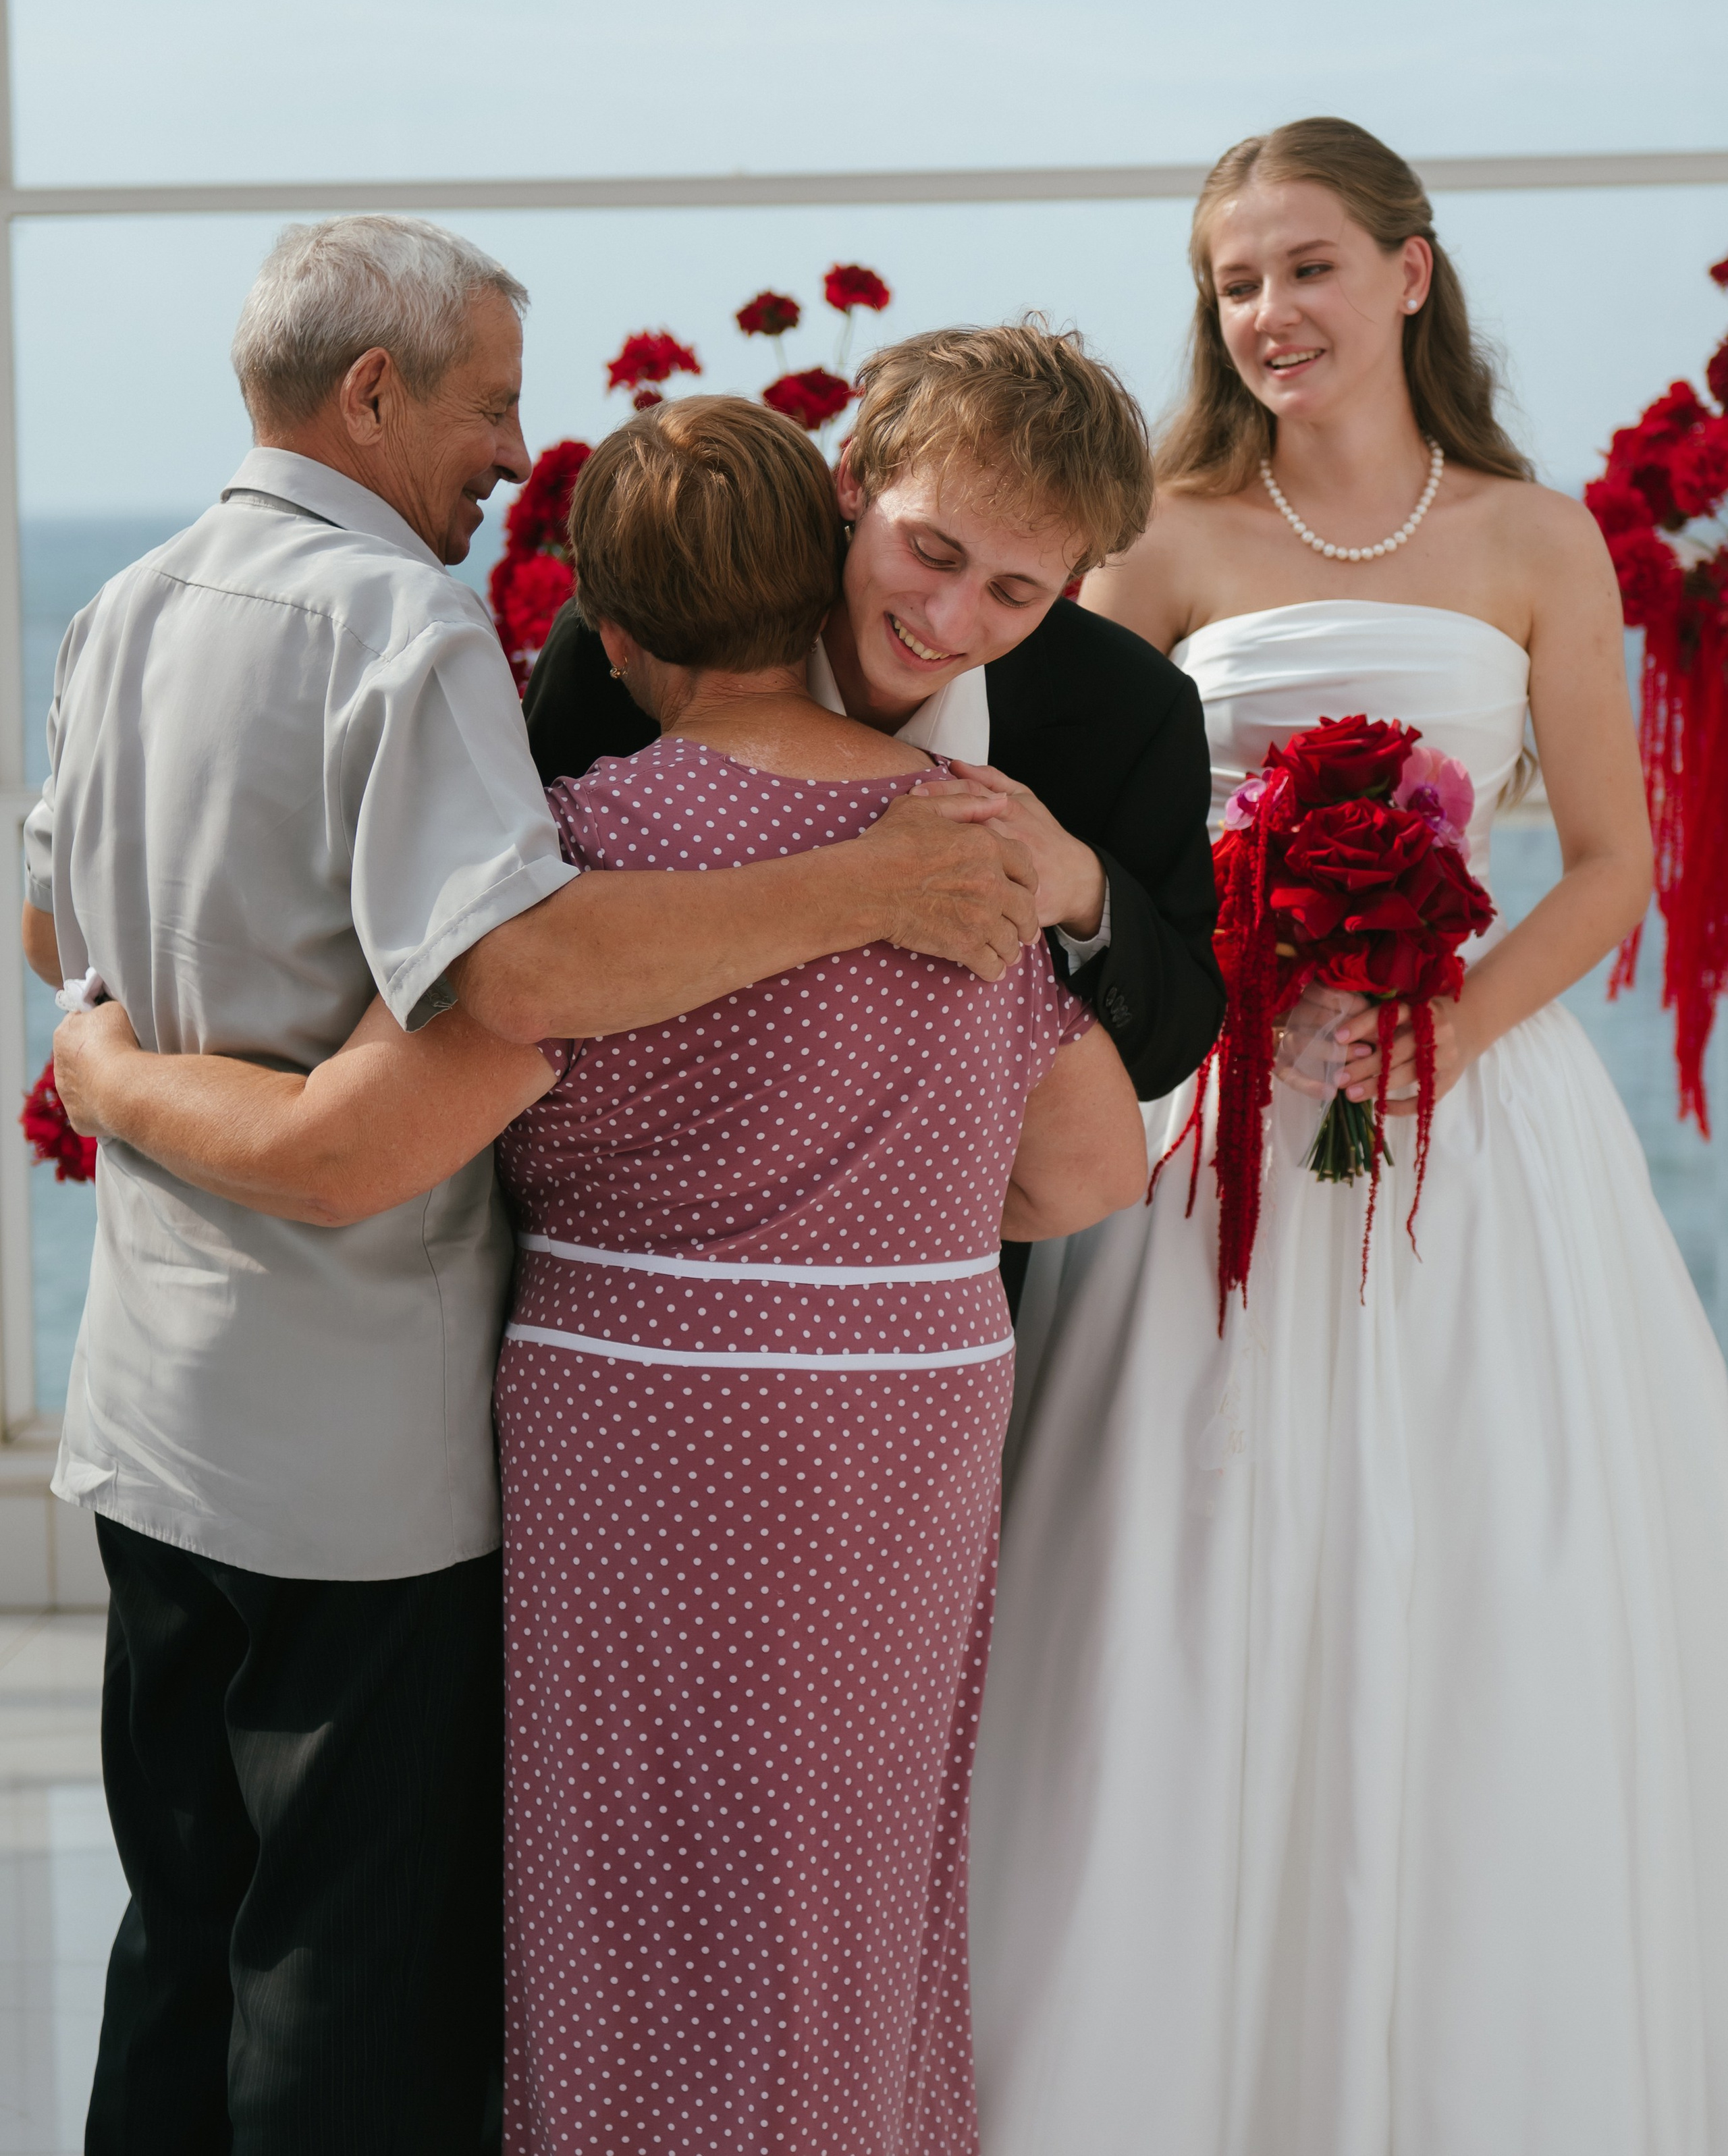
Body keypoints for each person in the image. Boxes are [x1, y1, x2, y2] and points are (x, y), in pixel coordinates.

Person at [18, 216, 1037, 2155]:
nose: (510, 453)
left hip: (149, 1415)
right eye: (489, 405)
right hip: (359, 1465)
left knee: (179, 1944)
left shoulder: (125, 605)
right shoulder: (399, 629)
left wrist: (117, 1064)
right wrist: (871, 885)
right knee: (343, 1995)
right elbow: (514, 990)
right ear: (374, 390)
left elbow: (57, 913)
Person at [967, 119, 1728, 2156]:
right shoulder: (1170, 535)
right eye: (1235, 282)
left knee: (1489, 1582)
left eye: (1306, 267)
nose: (1270, 315)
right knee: (1179, 1564)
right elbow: (1084, 831)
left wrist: (1443, 1037)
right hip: (1209, 1113)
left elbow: (1606, 870)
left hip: (1468, 1124)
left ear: (1409, 272)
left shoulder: (1537, 539)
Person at [522, 322, 1225, 1312]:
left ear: (1070, 581)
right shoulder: (656, 632)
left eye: (1015, 592)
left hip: (930, 1314)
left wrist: (1081, 888)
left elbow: (1177, 1038)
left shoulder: (1128, 713)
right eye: (932, 549)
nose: (948, 619)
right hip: (617, 1278)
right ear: (853, 478)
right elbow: (520, 933)